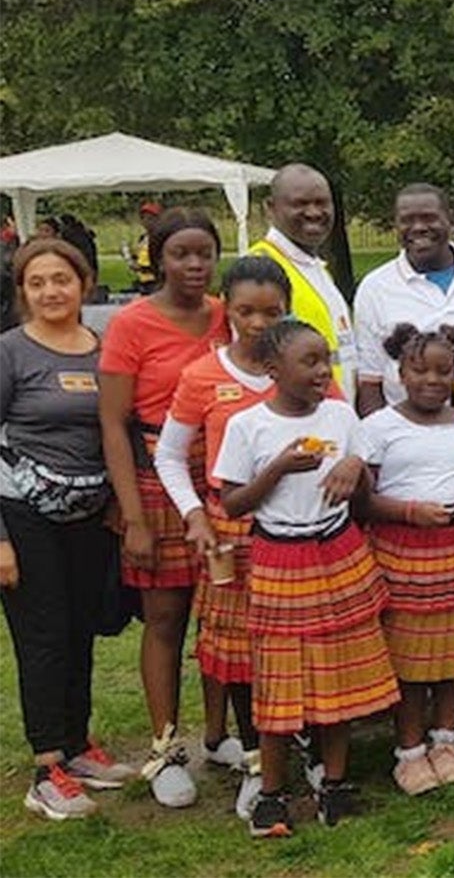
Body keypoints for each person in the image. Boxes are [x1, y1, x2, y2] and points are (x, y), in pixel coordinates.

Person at [216, 319, 390, 837]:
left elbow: (363, 495)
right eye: (310, 362)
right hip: (281, 557)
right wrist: (277, 470)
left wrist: (355, 467)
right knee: (279, 683)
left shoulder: (340, 416)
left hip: (337, 550)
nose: (323, 371)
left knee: (337, 674)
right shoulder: (249, 426)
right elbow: (232, 501)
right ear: (274, 370)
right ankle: (271, 795)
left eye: (327, 360)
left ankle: (333, 785)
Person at [0, 239, 139, 820]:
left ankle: (78, 746)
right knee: (43, 636)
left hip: (88, 515)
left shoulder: (101, 350)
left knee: (81, 629)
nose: (51, 291)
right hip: (23, 517)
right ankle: (46, 764)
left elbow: (119, 426)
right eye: (37, 283)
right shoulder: (9, 352)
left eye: (61, 279)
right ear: (23, 292)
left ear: (83, 283)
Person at [155, 257, 299, 806]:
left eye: (272, 312)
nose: (259, 323)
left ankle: (291, 747)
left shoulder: (304, 365)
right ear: (226, 309)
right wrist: (193, 512)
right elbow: (170, 456)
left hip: (296, 532)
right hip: (230, 528)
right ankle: (257, 766)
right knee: (242, 654)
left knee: (286, 649)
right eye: (245, 311)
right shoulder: (202, 376)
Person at [96, 208, 228, 809]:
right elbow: (113, 422)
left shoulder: (228, 314)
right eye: (181, 254)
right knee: (166, 618)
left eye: (205, 253)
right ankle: (165, 745)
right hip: (155, 478)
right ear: (158, 258)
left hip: (220, 478)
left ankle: (220, 735)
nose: (195, 265)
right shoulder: (132, 324)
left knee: (223, 616)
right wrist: (134, 516)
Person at [354, 324, 454, 797]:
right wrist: (411, 512)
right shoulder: (377, 429)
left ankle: (447, 738)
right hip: (404, 563)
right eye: (420, 371)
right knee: (412, 664)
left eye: (444, 371)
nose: (432, 380)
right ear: (400, 372)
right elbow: (361, 503)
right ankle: (410, 749)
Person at [352, 184, 454, 445]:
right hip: (414, 449)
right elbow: (371, 382)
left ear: (450, 220)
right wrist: (379, 446)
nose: (418, 227)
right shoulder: (375, 288)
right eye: (407, 220)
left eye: (429, 218)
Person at [250, 164, 354, 391]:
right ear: (271, 207)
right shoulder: (260, 270)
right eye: (300, 204)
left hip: (332, 414)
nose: (314, 212)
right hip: (297, 417)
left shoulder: (313, 266)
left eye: (322, 203)